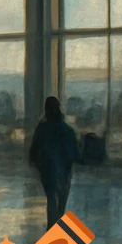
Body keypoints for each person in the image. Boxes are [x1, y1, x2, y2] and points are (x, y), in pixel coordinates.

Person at [29, 96, 80, 230]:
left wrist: (37, 164)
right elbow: (75, 154)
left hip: (47, 171)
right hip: (64, 172)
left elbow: (33, 152)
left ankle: (52, 229)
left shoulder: (42, 129)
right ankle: (57, 232)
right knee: (61, 203)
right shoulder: (67, 130)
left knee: (52, 200)